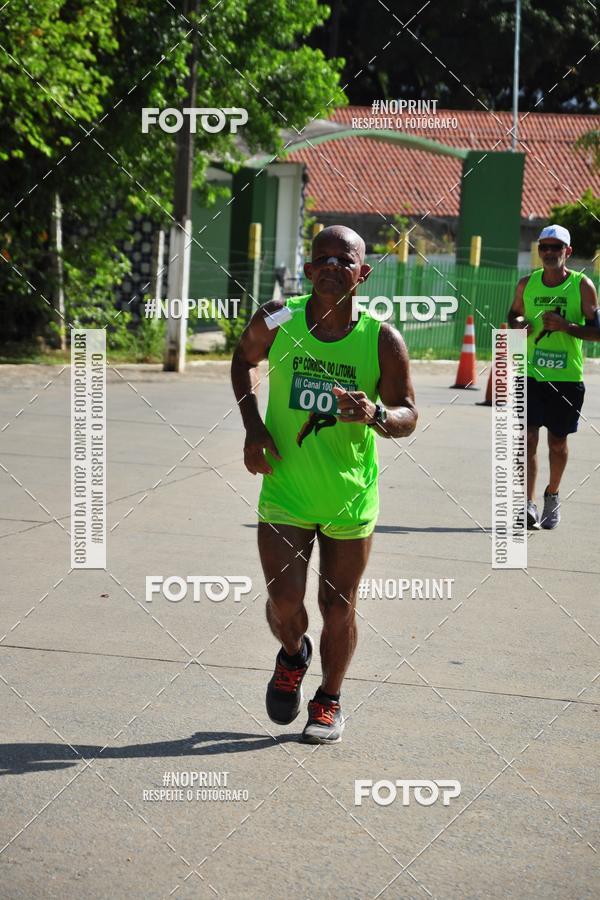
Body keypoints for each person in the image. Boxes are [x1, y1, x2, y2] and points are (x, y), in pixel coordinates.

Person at [231, 225, 417, 744]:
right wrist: (253, 428)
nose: (334, 265)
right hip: (286, 486)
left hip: (349, 495)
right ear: (309, 270)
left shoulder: (381, 339)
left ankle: (330, 699)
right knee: (285, 601)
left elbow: (409, 414)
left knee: (338, 607)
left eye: (346, 258)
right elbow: (242, 361)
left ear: (364, 273)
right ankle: (293, 656)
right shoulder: (278, 318)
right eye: (324, 257)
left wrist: (376, 413)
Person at [508, 224, 599, 530]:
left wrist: (566, 327)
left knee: (557, 443)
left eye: (555, 248)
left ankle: (553, 494)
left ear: (567, 252)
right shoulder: (526, 284)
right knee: (528, 438)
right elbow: (513, 315)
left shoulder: (582, 286)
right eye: (543, 247)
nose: (548, 252)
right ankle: (528, 504)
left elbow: (596, 332)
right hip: (530, 374)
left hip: (566, 378)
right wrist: (518, 324)